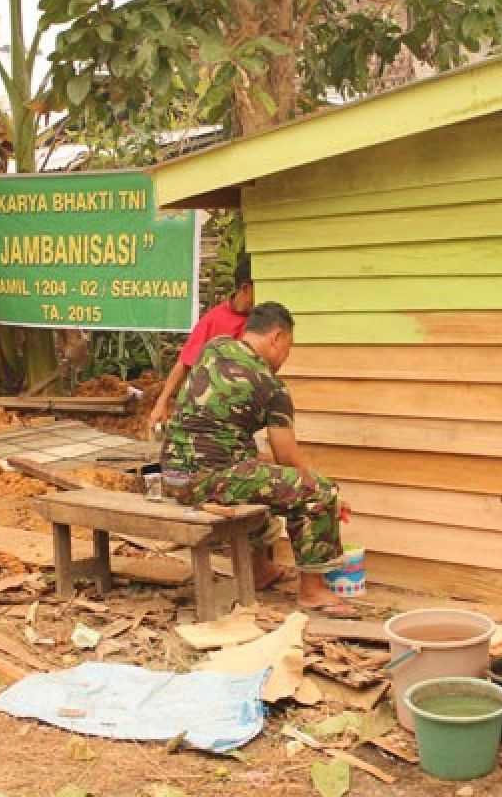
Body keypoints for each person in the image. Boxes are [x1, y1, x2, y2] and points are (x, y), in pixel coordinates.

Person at [160, 301, 355, 617]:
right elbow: (288, 458)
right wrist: (321, 486)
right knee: (318, 491)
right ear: (276, 337)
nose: (283, 361)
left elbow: (229, 437)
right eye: (286, 352)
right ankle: (313, 591)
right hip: (206, 482)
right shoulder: (271, 386)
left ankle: (260, 569)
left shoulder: (215, 348)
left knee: (261, 473)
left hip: (171, 475)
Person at [149, 255, 255, 429]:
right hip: (213, 410)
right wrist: (161, 403)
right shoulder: (213, 319)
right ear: (245, 288)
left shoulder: (263, 322)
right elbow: (185, 362)